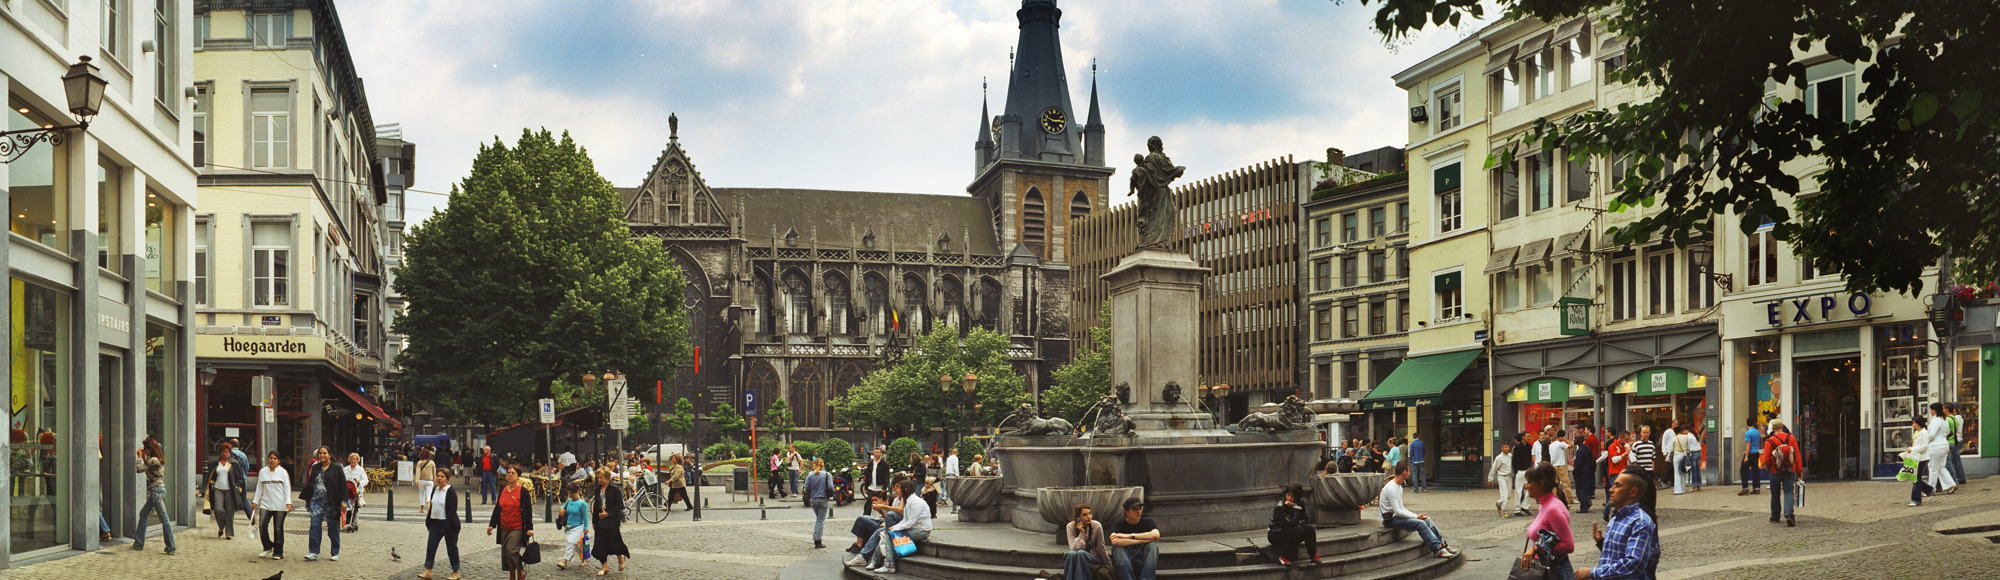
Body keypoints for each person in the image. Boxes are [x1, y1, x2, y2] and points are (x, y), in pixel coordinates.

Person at [1579, 471, 1662, 580]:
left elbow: (1634, 563)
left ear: (1632, 491)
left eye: (1617, 485)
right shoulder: (1615, 519)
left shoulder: (1640, 522)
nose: (1611, 489)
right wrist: (1601, 543)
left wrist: (1592, 572)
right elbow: (1615, 557)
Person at [1381, 462, 1460, 559]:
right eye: (1409, 471)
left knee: (1427, 519)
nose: (1410, 473)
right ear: (1404, 472)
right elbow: (1397, 511)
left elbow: (1401, 508)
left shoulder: (1398, 487)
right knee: (1420, 524)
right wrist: (1416, 517)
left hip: (1396, 516)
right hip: (1391, 520)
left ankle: (1441, 544)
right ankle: (1437, 550)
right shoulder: (1391, 488)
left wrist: (1417, 516)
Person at [1518, 465, 1576, 580]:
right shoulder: (1545, 505)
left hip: (1555, 571)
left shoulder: (1552, 509)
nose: (1526, 486)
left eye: (1529, 482)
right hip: (1543, 568)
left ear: (1540, 483)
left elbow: (1568, 546)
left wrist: (1536, 549)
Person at [486, 464, 535, 580]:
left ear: (518, 476)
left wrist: (529, 528)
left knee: (511, 551)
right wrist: (492, 525)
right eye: (509, 473)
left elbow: (528, 511)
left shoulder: (523, 492)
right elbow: (498, 508)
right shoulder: (503, 490)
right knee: (506, 554)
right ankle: (513, 575)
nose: (510, 475)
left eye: (513, 473)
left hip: (517, 527)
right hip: (504, 527)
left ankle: (519, 572)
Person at [300, 447, 347, 561]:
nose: (322, 455)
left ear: (330, 455)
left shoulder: (337, 468)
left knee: (333, 528)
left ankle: (335, 552)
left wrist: (344, 501)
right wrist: (308, 502)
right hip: (317, 501)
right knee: (315, 525)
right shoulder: (315, 467)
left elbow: (343, 485)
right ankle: (314, 551)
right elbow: (310, 485)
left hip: (332, 502)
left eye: (325, 453)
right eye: (320, 453)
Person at [132, 438, 176, 555]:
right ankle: (138, 543)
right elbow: (148, 466)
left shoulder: (153, 460)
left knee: (164, 519)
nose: (144, 451)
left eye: (145, 449)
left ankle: (171, 547)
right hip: (157, 490)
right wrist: (142, 457)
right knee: (144, 514)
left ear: (149, 449)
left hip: (156, 491)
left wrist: (138, 458)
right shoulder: (155, 459)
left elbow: (139, 469)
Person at [845, 479, 906, 557]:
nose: (896, 490)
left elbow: (897, 513)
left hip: (894, 526)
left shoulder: (905, 500)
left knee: (871, 525)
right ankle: (860, 547)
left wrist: (883, 509)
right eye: (896, 487)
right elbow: (888, 517)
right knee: (863, 519)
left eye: (899, 488)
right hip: (887, 524)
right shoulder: (896, 500)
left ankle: (861, 549)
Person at [419, 467, 462, 580]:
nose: (439, 478)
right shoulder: (435, 489)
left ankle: (456, 572)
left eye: (442, 477)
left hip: (449, 525)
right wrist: (428, 522)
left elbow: (452, 511)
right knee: (431, 546)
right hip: (435, 523)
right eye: (438, 476)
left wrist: (446, 525)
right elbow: (432, 507)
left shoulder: (450, 491)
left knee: (451, 548)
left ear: (447, 479)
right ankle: (428, 570)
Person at [1267, 483, 1320, 567]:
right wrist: (1295, 508)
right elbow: (1290, 522)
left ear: (1297, 497)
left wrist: (1299, 519)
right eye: (1288, 495)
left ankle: (1313, 555)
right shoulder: (1281, 506)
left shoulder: (1300, 502)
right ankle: (1284, 557)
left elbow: (1304, 519)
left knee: (1309, 529)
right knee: (1297, 530)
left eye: (1292, 496)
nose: (1289, 498)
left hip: (1290, 531)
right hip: (1276, 533)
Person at [1107, 497, 1160, 580]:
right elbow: (1114, 541)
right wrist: (1144, 539)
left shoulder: (1148, 522)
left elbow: (1156, 535)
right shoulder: (1117, 525)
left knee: (1153, 545)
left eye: (1140, 509)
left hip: (1142, 556)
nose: (1138, 512)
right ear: (1126, 512)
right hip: (1125, 557)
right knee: (1117, 548)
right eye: (1135, 509)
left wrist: (1128, 536)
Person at [254, 451, 292, 560]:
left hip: (280, 505)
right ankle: (267, 546)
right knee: (262, 525)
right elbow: (259, 488)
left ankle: (278, 552)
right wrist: (255, 501)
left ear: (278, 461)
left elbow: (287, 488)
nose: (272, 460)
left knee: (278, 529)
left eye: (275, 458)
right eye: (271, 458)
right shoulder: (263, 472)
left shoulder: (283, 472)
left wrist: (288, 502)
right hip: (265, 504)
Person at [1763, 421, 1801, 526]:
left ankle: (1775, 516)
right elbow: (1797, 455)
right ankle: (1789, 514)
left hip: (1775, 471)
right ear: (1782, 426)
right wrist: (1799, 471)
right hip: (1789, 470)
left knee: (1775, 493)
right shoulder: (1791, 438)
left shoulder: (1770, 441)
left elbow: (1766, 459)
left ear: (1773, 429)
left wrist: (1771, 467)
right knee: (1788, 492)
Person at [594, 470, 631, 574]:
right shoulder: (598, 489)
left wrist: (609, 513)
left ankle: (620, 556)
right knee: (600, 542)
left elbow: (620, 505)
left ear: (607, 477)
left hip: (612, 520)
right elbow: (596, 506)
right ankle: (604, 566)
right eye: (598, 478)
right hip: (600, 519)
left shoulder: (614, 489)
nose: (599, 480)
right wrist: (593, 521)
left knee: (613, 541)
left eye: (601, 477)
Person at [207, 443, 245, 540]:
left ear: (229, 453)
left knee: (229, 511)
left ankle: (228, 533)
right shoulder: (216, 463)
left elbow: (239, 477)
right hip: (218, 489)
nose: (225, 454)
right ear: (220, 452)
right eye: (223, 452)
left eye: (227, 452)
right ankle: (221, 526)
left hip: (230, 490)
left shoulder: (234, 463)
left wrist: (238, 488)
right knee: (218, 509)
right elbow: (211, 476)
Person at [1063, 503, 1110, 580]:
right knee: (1071, 554)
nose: (1089, 517)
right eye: (1085, 515)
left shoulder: (1096, 525)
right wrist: (1082, 533)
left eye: (1090, 514)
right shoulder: (1070, 526)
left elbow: (1101, 547)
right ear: (1078, 518)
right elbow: (1073, 548)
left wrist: (1108, 564)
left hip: (1093, 558)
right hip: (1078, 556)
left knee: (1081, 553)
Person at [1926, 403, 1958, 495]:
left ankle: (1930, 490)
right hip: (1944, 445)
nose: (1931, 411)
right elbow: (1948, 432)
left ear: (1936, 410)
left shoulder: (1936, 420)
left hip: (1936, 446)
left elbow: (1932, 434)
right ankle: (1951, 484)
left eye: (1932, 409)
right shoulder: (1944, 420)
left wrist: (1924, 440)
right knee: (1941, 467)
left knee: (1932, 468)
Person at [554, 487, 590, 570]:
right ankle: (585, 558)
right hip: (569, 527)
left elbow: (585, 516)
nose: (570, 495)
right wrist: (562, 509)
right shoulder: (569, 501)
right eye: (569, 493)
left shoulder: (582, 503)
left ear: (577, 491)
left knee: (571, 543)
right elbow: (563, 506)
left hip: (578, 527)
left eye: (571, 494)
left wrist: (586, 527)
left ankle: (565, 561)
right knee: (576, 545)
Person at [802, 458, 834, 549]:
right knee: (820, 521)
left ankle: (815, 537)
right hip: (823, 499)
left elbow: (806, 487)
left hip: (813, 499)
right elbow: (831, 487)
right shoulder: (827, 474)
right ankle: (818, 540)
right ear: (823, 464)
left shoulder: (810, 475)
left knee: (818, 519)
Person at [1907, 417, 1937, 507]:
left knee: (1915, 478)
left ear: (1919, 423)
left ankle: (1916, 499)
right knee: (1916, 478)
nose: (1913, 425)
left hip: (1922, 458)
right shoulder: (1917, 432)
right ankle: (1929, 490)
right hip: (1916, 457)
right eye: (1912, 423)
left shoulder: (1924, 433)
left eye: (1914, 423)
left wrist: (1912, 449)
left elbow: (1924, 446)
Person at [1487, 442, 1517, 516]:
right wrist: (1490, 479)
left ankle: (1499, 503)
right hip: (1501, 477)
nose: (1508, 449)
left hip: (1509, 477)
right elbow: (1494, 468)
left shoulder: (1510, 456)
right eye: (1506, 447)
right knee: (1504, 494)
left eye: (1508, 447)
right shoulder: (1499, 458)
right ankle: (1504, 511)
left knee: (1508, 495)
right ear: (1502, 448)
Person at [343, 453, 370, 532]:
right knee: (347, 506)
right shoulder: (345, 469)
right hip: (347, 490)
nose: (353, 461)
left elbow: (366, 480)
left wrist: (360, 482)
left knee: (355, 507)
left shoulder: (360, 470)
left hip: (357, 490)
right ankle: (346, 520)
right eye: (351, 459)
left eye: (355, 459)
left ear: (357, 460)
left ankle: (355, 522)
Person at [1511, 433, 1536, 515]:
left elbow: (1529, 458)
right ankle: (1517, 509)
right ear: (1523, 437)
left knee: (1531, 488)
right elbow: (1514, 460)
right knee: (1518, 490)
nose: (1529, 437)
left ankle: (1525, 506)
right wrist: (1516, 470)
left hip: (1528, 470)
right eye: (1527, 436)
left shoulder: (1529, 446)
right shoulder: (1517, 447)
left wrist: (1530, 468)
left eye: (1529, 436)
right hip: (1520, 471)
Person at [1574, 432, 1599, 514]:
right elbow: (1592, 458)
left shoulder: (1579, 451)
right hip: (1587, 472)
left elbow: (1578, 463)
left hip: (1580, 473)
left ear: (1578, 440)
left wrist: (1574, 471)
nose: (1574, 440)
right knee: (1585, 490)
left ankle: (1584, 505)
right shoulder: (1586, 448)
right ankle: (1586, 503)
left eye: (1575, 438)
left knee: (1579, 491)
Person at [1551, 429, 1577, 506]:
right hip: (1560, 465)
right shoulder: (1560, 444)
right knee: (1566, 482)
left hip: (1553, 465)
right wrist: (1565, 440)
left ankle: (1554, 498)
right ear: (1562, 437)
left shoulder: (1551, 444)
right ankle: (1570, 498)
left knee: (1555, 483)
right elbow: (1572, 446)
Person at [1739, 418, 1764, 496]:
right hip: (1756, 452)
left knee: (1743, 470)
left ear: (1747, 424)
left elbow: (1748, 445)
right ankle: (1756, 488)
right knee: (1755, 470)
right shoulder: (1757, 432)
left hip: (1750, 453)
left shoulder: (1748, 433)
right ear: (1754, 423)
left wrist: (1746, 456)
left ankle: (1745, 488)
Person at [1945, 402, 1966, 490]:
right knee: (1955, 460)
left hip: (1955, 439)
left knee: (1954, 461)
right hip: (1958, 439)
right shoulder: (1959, 418)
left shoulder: (1953, 418)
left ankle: (1959, 478)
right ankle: (1960, 478)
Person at [864, 448, 890, 515]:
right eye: (875, 452)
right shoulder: (870, 463)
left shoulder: (884, 463)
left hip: (880, 488)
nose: (876, 454)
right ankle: (866, 516)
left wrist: (884, 487)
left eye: (878, 452)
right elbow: (868, 476)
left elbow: (887, 476)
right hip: (871, 487)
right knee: (868, 503)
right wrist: (866, 487)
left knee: (883, 504)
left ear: (880, 453)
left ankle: (885, 517)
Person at [1668, 425, 1691, 495]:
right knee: (1683, 472)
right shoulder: (1686, 437)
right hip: (1684, 455)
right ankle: (1683, 489)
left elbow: (1671, 449)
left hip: (1677, 455)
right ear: (1680, 431)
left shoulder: (1674, 438)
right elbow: (1688, 447)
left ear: (1675, 432)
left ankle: (1678, 490)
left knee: (1677, 473)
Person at [416, 449, 438, 514]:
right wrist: (434, 480)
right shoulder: (432, 463)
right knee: (429, 494)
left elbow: (417, 472)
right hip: (430, 480)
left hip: (421, 480)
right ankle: (429, 506)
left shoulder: (419, 463)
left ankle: (422, 508)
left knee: (422, 494)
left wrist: (416, 480)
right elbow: (434, 472)